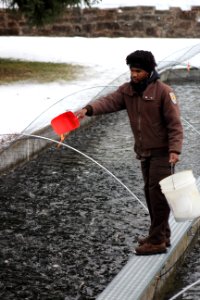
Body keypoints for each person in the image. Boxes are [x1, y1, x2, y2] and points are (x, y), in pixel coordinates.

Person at [75, 50, 183, 255]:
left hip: (163, 153)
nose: (134, 74)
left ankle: (157, 240)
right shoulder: (128, 91)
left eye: (138, 71)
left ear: (150, 70)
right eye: (132, 70)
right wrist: (88, 110)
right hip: (144, 152)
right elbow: (109, 101)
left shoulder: (164, 92)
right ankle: (162, 234)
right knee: (150, 195)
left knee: (157, 195)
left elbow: (175, 125)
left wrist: (174, 150)